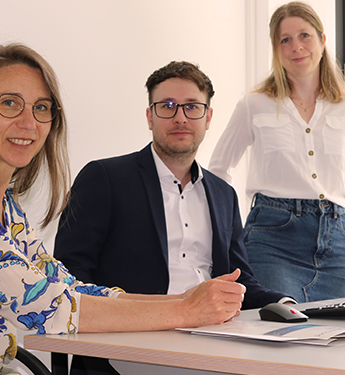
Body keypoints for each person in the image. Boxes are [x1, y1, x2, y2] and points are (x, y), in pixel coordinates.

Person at [0, 45, 246, 375]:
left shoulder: (6, 206)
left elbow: (66, 285)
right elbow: (43, 303)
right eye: (10, 103)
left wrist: (185, 299)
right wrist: (185, 311)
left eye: (41, 108)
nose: (29, 122)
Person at [54, 61, 293, 374]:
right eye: (167, 106)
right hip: (132, 344)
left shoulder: (223, 194)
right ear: (149, 117)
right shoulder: (105, 178)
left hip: (213, 340)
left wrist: (287, 305)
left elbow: (241, 280)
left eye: (192, 107)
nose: (180, 117)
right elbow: (68, 275)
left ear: (208, 118)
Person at [208, 1, 345, 303]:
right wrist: (227, 239)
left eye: (304, 36)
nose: (296, 47)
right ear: (277, 50)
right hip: (271, 240)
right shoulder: (254, 105)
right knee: (278, 336)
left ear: (322, 40)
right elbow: (218, 172)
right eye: (285, 40)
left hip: (335, 246)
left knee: (331, 342)